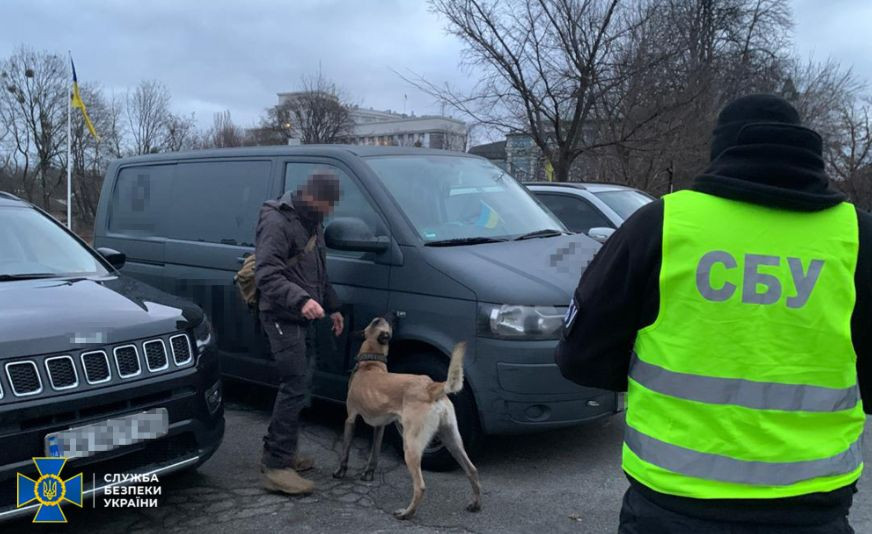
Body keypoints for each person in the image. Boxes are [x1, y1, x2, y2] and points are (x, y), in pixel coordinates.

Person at [555, 94, 871, 533]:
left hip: (673, 508)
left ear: (721, 151)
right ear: (807, 148)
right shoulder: (858, 236)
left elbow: (581, 356)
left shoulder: (661, 225)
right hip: (810, 509)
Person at [255, 170, 344, 495]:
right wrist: (302, 299)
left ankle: (284, 451)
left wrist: (332, 306)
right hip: (280, 314)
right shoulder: (278, 221)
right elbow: (267, 274)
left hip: (302, 313)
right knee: (294, 385)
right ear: (311, 196)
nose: (329, 211)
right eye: (327, 203)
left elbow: (319, 269)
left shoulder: (311, 221)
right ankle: (276, 466)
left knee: (302, 383)